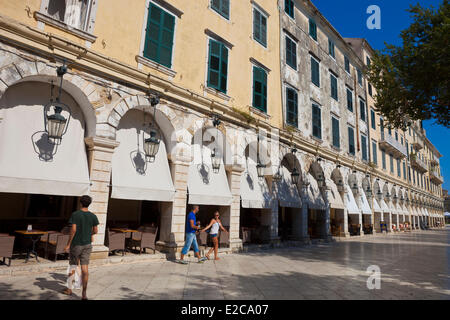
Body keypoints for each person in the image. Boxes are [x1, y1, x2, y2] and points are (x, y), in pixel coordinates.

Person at [63, 195, 99, 300]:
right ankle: (84, 294)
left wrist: (68, 244)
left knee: (73, 266)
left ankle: (69, 289)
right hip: (87, 245)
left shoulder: (75, 214)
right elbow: (96, 231)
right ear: (89, 203)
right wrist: (88, 234)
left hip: (76, 244)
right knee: (85, 269)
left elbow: (73, 230)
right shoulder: (93, 216)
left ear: (80, 203)